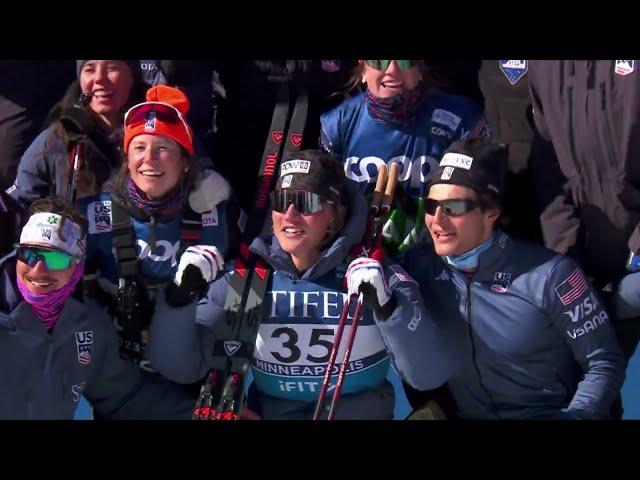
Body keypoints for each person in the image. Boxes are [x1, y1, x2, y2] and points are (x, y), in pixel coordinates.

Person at [146, 149, 457, 419]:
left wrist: (389, 309)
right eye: (282, 201)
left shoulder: (370, 275)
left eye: (306, 202)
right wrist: (180, 296)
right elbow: (180, 367)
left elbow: (428, 374)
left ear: (335, 216)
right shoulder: (251, 279)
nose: (290, 215)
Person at [381, 138, 625, 419]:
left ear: (491, 213)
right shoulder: (420, 266)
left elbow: (603, 362)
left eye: (454, 207)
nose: (437, 220)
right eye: (431, 205)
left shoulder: (552, 275)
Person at [79, 84, 240, 373]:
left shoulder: (211, 209)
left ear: (185, 161)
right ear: (127, 158)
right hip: (116, 346)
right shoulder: (97, 211)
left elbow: (240, 283)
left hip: (187, 342)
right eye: (139, 147)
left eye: (163, 148)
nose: (149, 159)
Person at [0, 196, 198, 419]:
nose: (38, 268)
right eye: (29, 254)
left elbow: (126, 395)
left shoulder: (88, 326)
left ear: (77, 266)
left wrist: (202, 412)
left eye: (55, 259)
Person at [528, 60, 640, 363]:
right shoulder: (543, 67)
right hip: (591, 261)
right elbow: (549, 163)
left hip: (635, 261)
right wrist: (566, 254)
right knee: (592, 380)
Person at [320, 60, 490, 257]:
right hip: (358, 260)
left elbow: (485, 206)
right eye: (379, 61)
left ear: (420, 69)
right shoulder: (336, 123)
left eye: (405, 60)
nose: (392, 70)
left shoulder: (462, 118)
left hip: (439, 261)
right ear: (363, 69)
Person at [7, 60, 147, 208]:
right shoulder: (55, 141)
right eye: (89, 70)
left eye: (111, 68)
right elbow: (22, 204)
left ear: (133, 77)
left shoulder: (159, 135)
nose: (99, 78)